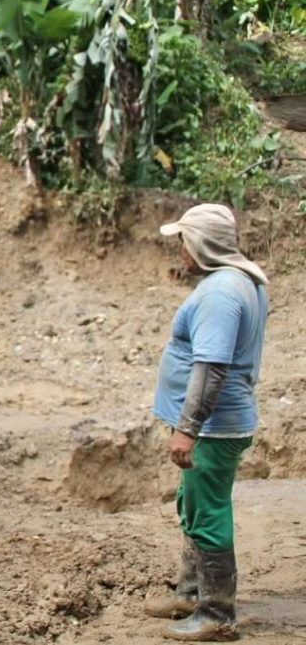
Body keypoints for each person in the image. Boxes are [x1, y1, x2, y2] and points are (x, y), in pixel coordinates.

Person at [145, 203, 268, 642]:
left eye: (183, 240)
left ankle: (216, 613)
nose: (179, 249)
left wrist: (187, 428)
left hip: (214, 427)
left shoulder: (219, 294)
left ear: (201, 244)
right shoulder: (243, 280)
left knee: (207, 512)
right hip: (218, 424)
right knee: (194, 505)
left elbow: (211, 367)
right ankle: (190, 591)